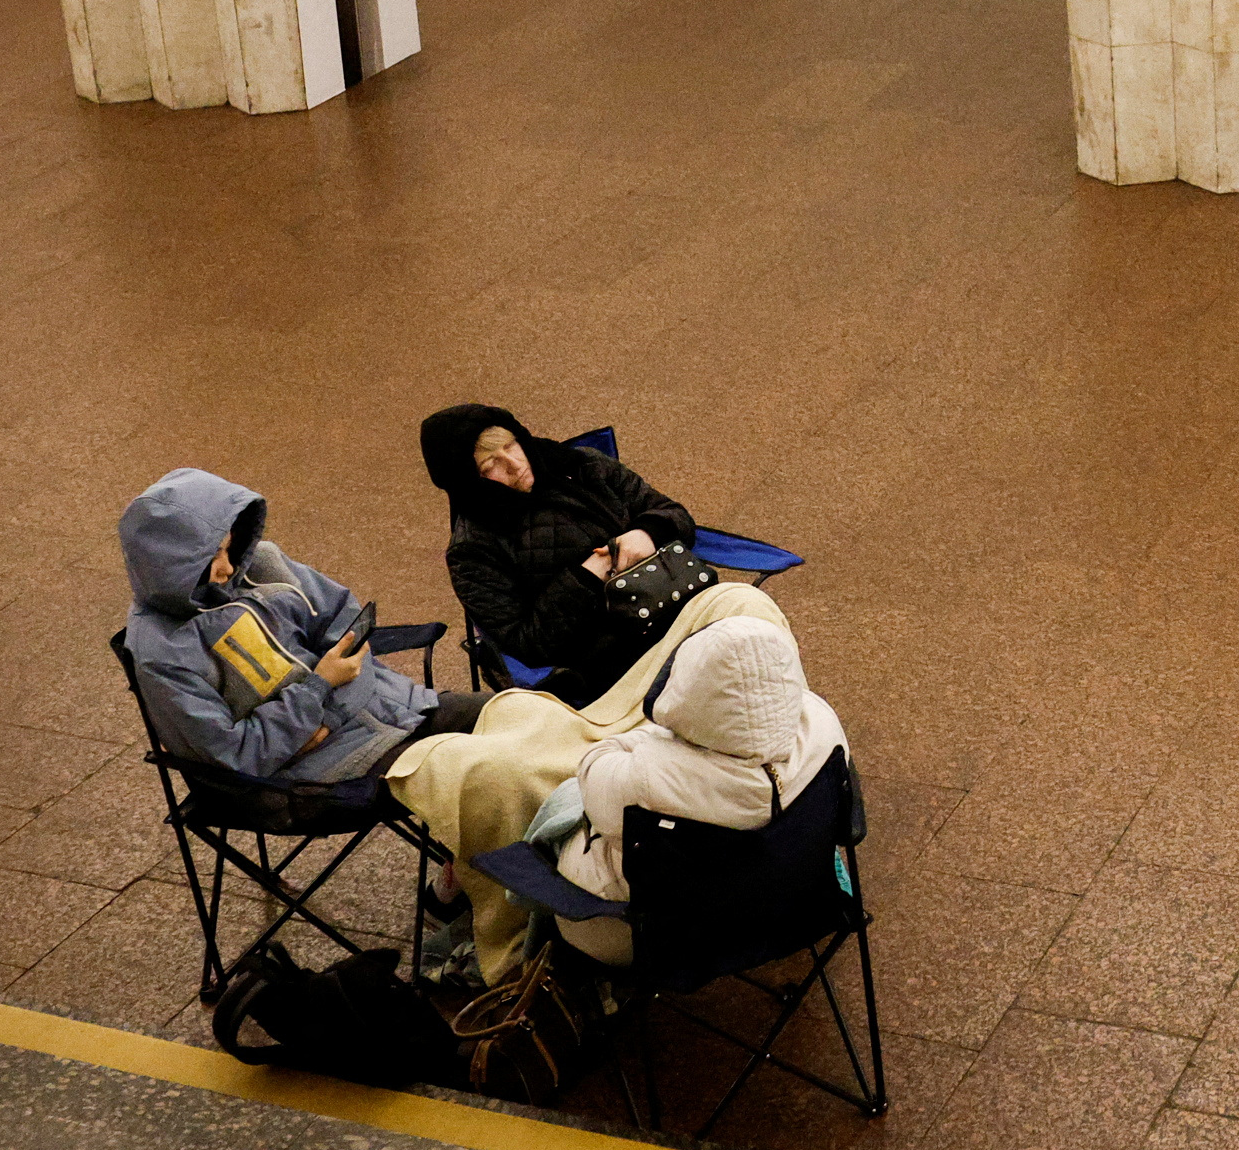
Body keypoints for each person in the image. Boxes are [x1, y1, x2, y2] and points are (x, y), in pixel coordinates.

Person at [118, 467, 483, 783]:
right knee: (483, 772)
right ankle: (474, 861)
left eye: (228, 549)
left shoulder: (261, 564)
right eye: (212, 558)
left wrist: (327, 707)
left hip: (389, 707)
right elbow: (237, 754)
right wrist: (320, 686)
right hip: (319, 769)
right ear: (171, 567)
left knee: (526, 714)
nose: (228, 568)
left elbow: (342, 618)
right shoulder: (161, 653)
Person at [539, 595, 848, 966]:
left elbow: (592, 769)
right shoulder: (822, 722)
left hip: (657, 936)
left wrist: (658, 738)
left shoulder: (649, 776)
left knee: (562, 812)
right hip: (798, 905)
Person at [419, 404, 703, 704]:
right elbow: (528, 644)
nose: (514, 464)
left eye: (511, 445)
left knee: (742, 611)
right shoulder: (472, 552)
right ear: (469, 481)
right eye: (490, 465)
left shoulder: (580, 465)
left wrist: (645, 533)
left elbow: (672, 513)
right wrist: (588, 574)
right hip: (612, 659)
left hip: (680, 603)